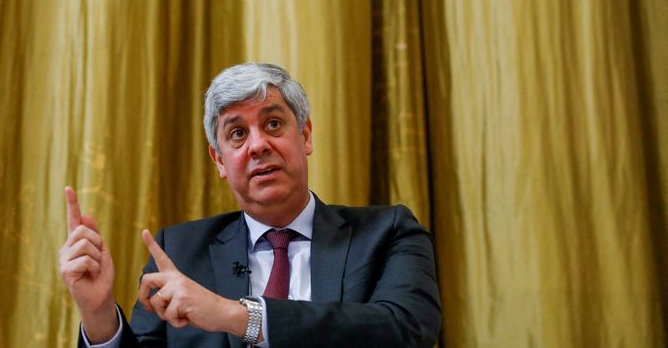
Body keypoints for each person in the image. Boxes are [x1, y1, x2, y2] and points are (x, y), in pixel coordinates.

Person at [59, 63, 441, 347]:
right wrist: (98, 315)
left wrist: (237, 316)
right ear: (220, 160)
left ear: (305, 135)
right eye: (238, 134)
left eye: (273, 124)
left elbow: (408, 329)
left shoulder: (387, 232)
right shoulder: (180, 253)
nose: (258, 145)